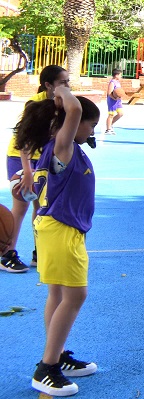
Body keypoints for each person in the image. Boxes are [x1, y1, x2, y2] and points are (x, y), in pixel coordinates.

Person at [21, 86, 102, 396]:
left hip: (57, 227)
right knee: (75, 295)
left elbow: (75, 115)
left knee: (58, 293)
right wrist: (62, 91)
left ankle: (57, 355)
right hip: (61, 229)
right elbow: (76, 110)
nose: (91, 129)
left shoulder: (59, 147)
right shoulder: (61, 146)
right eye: (90, 124)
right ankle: (47, 368)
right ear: (72, 122)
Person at [2, 65, 69, 273]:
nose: (67, 86)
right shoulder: (36, 104)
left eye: (68, 82)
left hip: (44, 159)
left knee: (41, 207)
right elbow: (25, 140)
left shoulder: (66, 103)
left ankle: (39, 252)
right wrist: (28, 172)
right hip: (22, 156)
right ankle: (7, 253)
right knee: (21, 205)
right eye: (62, 82)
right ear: (49, 85)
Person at [103, 66, 124, 135]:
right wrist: (114, 98)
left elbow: (118, 92)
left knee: (120, 113)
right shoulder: (112, 82)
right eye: (120, 75)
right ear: (116, 75)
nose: (121, 76)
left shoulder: (117, 82)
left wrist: (120, 96)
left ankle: (110, 124)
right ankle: (108, 129)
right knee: (111, 115)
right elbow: (109, 92)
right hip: (112, 100)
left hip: (118, 101)